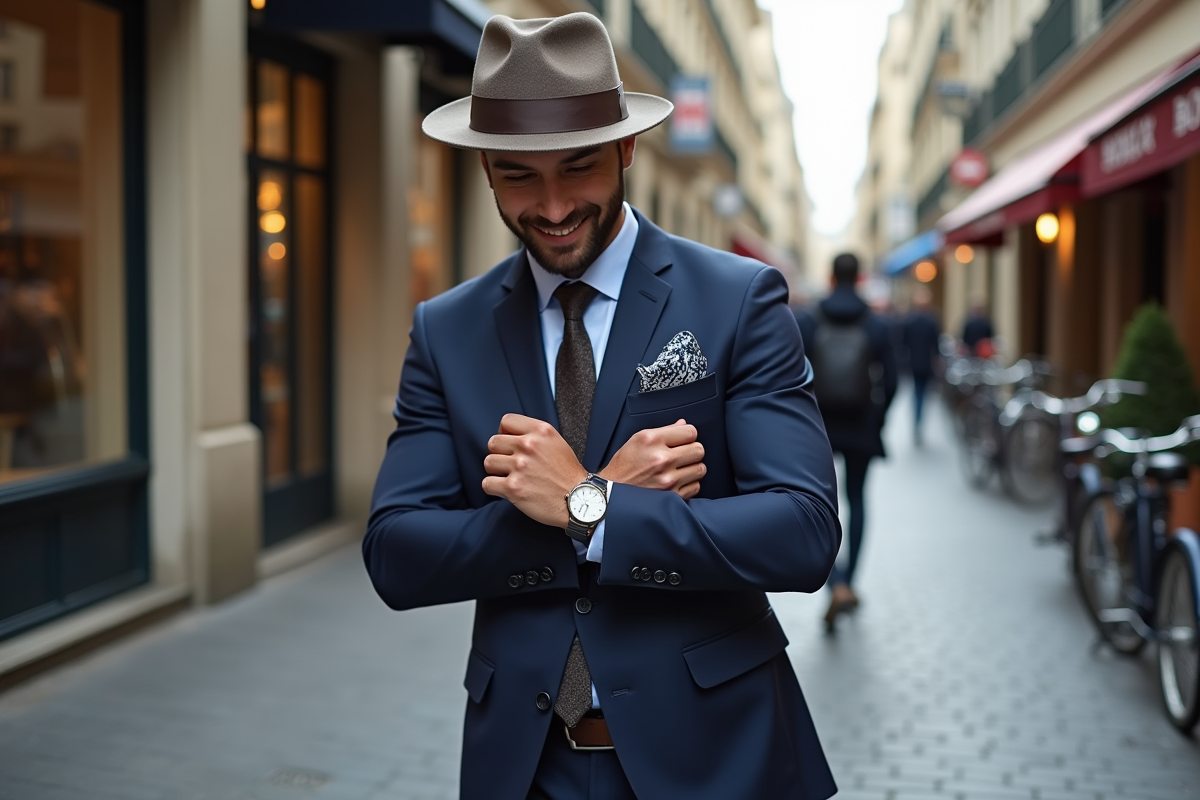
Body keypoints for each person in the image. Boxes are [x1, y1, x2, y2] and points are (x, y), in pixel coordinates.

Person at [362, 13, 841, 800]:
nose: (551, 206)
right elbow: (396, 553)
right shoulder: (445, 330)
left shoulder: (738, 299)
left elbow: (804, 533)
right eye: (519, 175)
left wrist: (588, 508)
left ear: (626, 148)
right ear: (485, 167)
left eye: (577, 168)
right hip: (524, 766)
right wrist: (578, 510)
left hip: (716, 757)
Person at [796, 254, 897, 631]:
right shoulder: (876, 323)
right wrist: (878, 417)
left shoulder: (808, 320)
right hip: (861, 424)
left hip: (817, 426)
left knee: (816, 507)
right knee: (857, 500)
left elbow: (791, 376)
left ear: (829, 275)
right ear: (860, 278)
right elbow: (892, 381)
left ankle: (835, 583)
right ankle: (851, 581)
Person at [902, 286, 942, 445]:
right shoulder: (932, 320)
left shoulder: (909, 320)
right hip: (926, 363)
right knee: (923, 394)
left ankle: (916, 422)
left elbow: (903, 342)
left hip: (913, 363)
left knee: (916, 393)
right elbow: (936, 345)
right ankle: (919, 422)